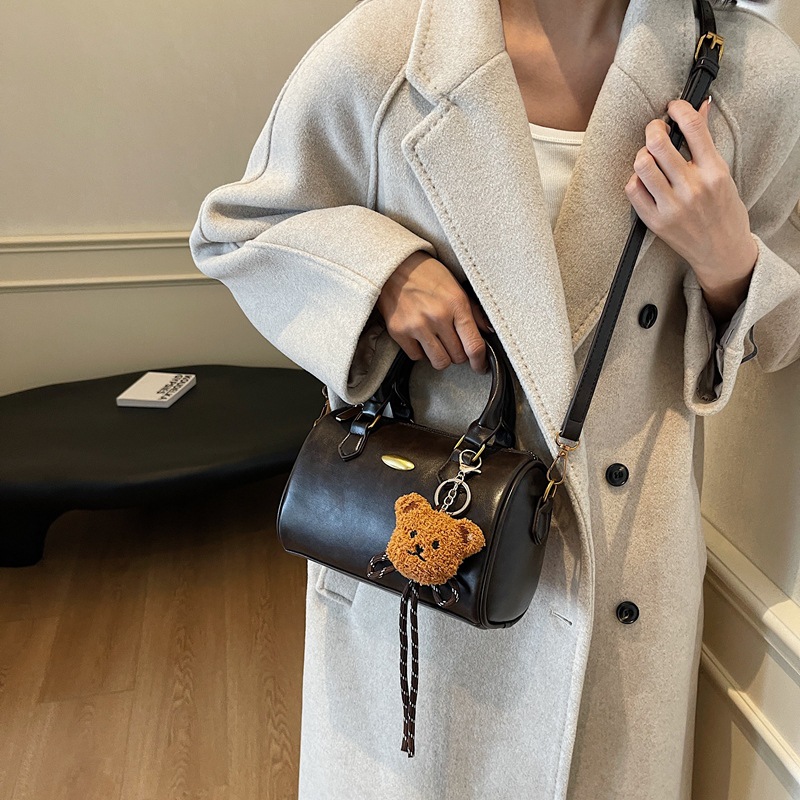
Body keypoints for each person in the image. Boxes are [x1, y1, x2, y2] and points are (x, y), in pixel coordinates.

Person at [189, 0, 800, 796]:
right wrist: (383, 274)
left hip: (623, 572)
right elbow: (238, 227)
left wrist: (730, 261)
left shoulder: (751, 78)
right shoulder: (395, 45)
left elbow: (784, 332)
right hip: (427, 558)